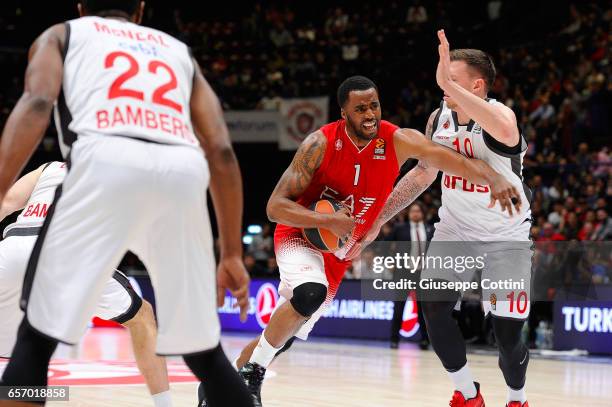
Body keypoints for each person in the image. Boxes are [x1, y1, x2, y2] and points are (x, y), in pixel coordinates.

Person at [199, 75, 521, 406]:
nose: (369, 114)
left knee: (286, 336)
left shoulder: (397, 140)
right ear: (344, 113)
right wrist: (327, 220)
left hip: (340, 253)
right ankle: (252, 377)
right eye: (360, 109)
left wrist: (493, 176)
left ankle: (214, 388)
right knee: (310, 293)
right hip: (300, 235)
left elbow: (447, 160)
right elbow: (274, 208)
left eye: (374, 105)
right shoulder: (319, 144)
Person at [0, 2, 253, 406]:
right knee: (203, 351)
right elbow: (221, 151)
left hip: (102, 165)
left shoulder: (63, 34)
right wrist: (232, 253)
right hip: (179, 176)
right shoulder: (177, 50)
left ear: (83, 7)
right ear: (139, 10)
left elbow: (35, 104)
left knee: (35, 342)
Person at [369, 31, 533, 407]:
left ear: (477, 86)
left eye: (452, 78)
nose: (443, 84)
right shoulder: (438, 118)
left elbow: (502, 128)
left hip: (505, 235)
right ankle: (467, 392)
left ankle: (517, 398)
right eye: (442, 76)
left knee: (507, 337)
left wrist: (447, 83)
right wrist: (379, 217)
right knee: (433, 304)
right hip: (455, 229)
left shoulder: (502, 118)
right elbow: (423, 173)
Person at [0, 162, 173, 407]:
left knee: (12, 358)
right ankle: (164, 404)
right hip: (67, 253)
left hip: (13, 248)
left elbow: (5, 203)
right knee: (142, 316)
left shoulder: (49, 167)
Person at [388, 202, 433, 349]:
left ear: (422, 213)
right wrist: (390, 260)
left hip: (422, 274)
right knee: (399, 306)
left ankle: (425, 340)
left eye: (418, 211)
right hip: (404, 273)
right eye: (413, 211)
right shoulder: (400, 228)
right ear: (408, 213)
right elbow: (386, 243)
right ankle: (394, 339)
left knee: (423, 309)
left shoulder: (430, 229)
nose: (415, 213)